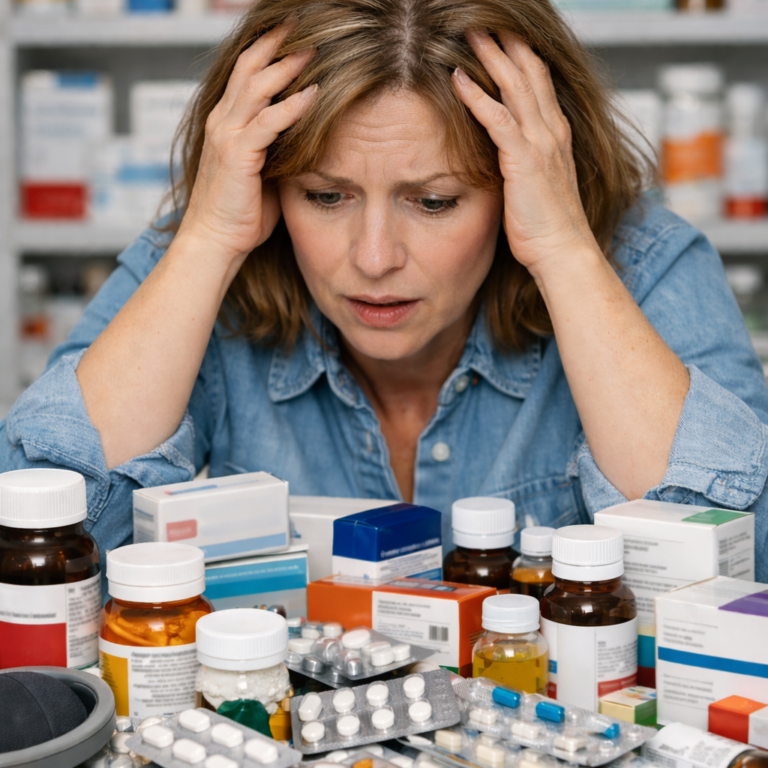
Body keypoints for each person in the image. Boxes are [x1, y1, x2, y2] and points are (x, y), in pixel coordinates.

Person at [2, 0, 767, 581]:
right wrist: (205, 241)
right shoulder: (214, 248)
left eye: (434, 202)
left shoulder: (642, 263)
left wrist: (563, 250)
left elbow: (737, 559)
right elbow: (34, 535)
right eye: (324, 196)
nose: (373, 258)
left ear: (522, 182)